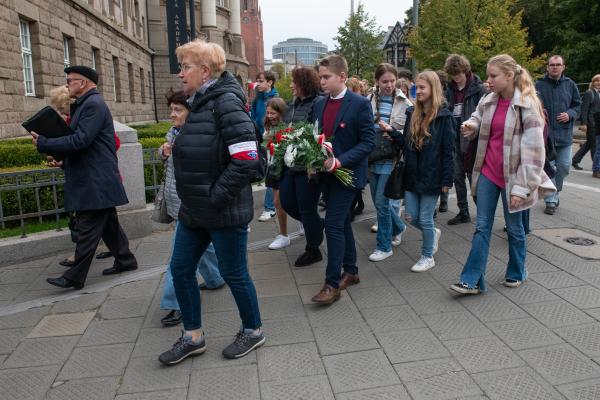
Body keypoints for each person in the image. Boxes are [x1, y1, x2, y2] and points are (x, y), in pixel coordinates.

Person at [158, 39, 265, 365]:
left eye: (185, 67)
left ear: (205, 72)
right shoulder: (199, 103)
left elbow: (247, 161)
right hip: (195, 211)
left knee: (235, 273)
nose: (180, 74)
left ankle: (253, 330)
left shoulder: (226, 104)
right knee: (180, 269)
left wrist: (214, 197)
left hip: (222, 210)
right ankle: (192, 336)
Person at [450, 54, 556, 295]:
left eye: (493, 75)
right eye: (488, 75)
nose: (488, 80)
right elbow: (477, 116)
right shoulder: (489, 99)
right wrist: (471, 125)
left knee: (515, 228)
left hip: (514, 177)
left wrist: (522, 189)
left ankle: (517, 271)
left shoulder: (528, 105)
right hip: (488, 171)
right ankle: (472, 280)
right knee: (482, 226)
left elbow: (533, 154)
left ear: (509, 76)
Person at [32, 66, 137, 290]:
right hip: (94, 177)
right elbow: (84, 144)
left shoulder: (93, 105)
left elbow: (80, 140)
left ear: (83, 82)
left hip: (94, 180)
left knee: (87, 228)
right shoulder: (87, 104)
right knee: (108, 224)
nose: (67, 83)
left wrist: (44, 142)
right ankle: (125, 260)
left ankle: (74, 276)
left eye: (70, 80)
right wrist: (63, 160)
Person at [310, 55, 375, 304]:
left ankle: (332, 283)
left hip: (348, 176)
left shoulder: (359, 104)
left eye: (326, 77)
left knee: (334, 224)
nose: (322, 81)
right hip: (326, 175)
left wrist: (340, 161)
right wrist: (312, 161)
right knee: (343, 223)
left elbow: (368, 142)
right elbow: (315, 137)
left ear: (342, 77)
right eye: (320, 77)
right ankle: (352, 271)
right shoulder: (319, 104)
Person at [158, 90, 225, 327]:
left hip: (191, 203)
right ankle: (216, 278)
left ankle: (174, 302)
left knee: (179, 258)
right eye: (171, 110)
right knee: (201, 246)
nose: (172, 115)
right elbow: (168, 157)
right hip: (178, 201)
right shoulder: (174, 133)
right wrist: (164, 152)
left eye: (178, 110)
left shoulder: (197, 136)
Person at [393, 71, 455, 272]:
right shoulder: (412, 113)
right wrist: (392, 134)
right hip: (412, 173)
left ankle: (427, 256)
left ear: (433, 89)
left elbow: (448, 151)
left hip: (432, 175)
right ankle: (433, 233)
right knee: (411, 217)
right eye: (416, 87)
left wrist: (446, 179)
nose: (417, 91)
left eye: (422, 87)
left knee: (426, 218)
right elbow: (406, 143)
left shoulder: (444, 116)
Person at [279, 66, 324, 267]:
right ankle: (317, 225)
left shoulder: (318, 103)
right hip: (291, 164)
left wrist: (313, 163)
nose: (291, 85)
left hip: (308, 167)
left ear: (304, 84)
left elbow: (319, 133)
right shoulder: (294, 104)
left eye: (294, 82)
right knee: (288, 202)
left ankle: (313, 249)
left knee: (306, 209)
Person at [367, 63, 411, 262]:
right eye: (385, 81)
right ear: (377, 81)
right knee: (379, 204)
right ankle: (399, 227)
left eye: (392, 81)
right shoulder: (368, 99)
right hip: (371, 156)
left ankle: (383, 246)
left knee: (382, 203)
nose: (389, 85)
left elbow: (409, 132)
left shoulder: (405, 103)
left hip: (391, 158)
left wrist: (392, 131)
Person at [535, 55, 581, 215]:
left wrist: (570, 114)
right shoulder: (538, 85)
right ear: (547, 67)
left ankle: (555, 190)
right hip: (545, 137)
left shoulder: (570, 85)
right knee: (549, 168)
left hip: (564, 136)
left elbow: (577, 105)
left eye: (558, 65)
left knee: (564, 166)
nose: (554, 67)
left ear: (563, 67)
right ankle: (551, 201)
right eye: (551, 65)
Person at [443, 54, 486, 225]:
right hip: (454, 137)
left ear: (465, 71)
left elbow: (484, 114)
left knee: (474, 178)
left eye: (459, 74)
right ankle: (463, 212)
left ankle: (483, 212)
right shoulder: (449, 89)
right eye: (453, 75)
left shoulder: (479, 89)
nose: (457, 78)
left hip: (472, 140)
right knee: (457, 176)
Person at [263, 97, 292, 250]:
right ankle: (284, 235)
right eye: (268, 113)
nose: (270, 116)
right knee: (277, 202)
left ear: (281, 112)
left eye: (273, 113)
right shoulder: (268, 125)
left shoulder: (287, 126)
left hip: (285, 167)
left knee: (280, 202)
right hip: (273, 166)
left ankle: (287, 233)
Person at [252, 71, 279, 223]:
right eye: (257, 80)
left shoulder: (275, 98)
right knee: (264, 173)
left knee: (270, 173)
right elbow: (253, 119)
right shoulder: (257, 99)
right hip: (259, 141)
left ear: (270, 82)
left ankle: (270, 208)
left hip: (271, 141)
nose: (258, 83)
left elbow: (279, 120)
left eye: (261, 80)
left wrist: (271, 136)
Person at [572, 74, 600, 175]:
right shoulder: (589, 93)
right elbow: (584, 109)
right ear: (593, 82)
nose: (598, 83)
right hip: (591, 123)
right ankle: (597, 168)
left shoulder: (598, 94)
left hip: (597, 124)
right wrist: (584, 123)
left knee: (589, 144)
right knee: (594, 145)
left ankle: (575, 160)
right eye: (596, 81)